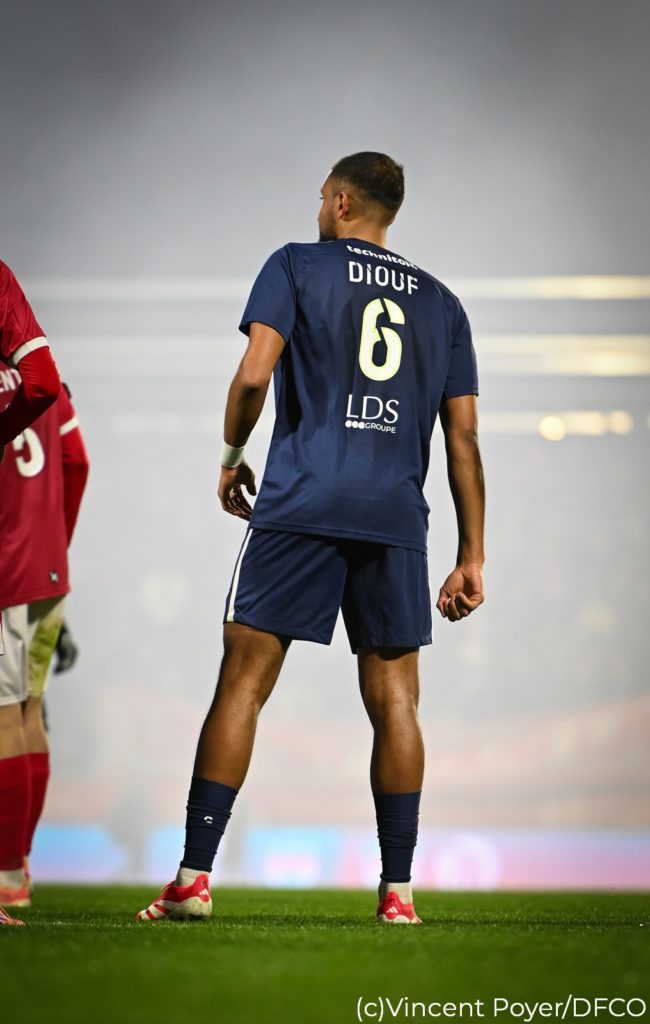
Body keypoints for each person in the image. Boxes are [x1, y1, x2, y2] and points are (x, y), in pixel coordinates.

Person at [137, 151, 485, 925]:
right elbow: (462, 439)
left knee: (243, 681)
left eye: (322, 198)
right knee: (397, 701)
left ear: (341, 201)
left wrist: (231, 456)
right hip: (396, 516)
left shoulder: (296, 265)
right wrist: (472, 555)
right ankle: (398, 893)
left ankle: (194, 878)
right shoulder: (444, 304)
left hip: (302, 498)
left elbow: (253, 375)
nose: (318, 209)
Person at [0, 382, 89, 923]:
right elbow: (77, 461)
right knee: (30, 711)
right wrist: (56, 542)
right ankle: (19, 866)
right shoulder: (48, 382)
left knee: (5, 717)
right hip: (48, 568)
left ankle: (7, 876)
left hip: (7, 568)